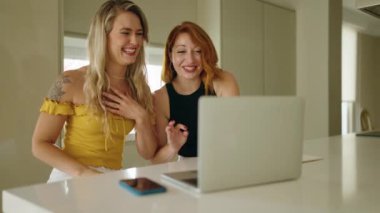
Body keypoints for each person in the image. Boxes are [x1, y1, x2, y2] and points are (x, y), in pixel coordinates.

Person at [32, 0, 182, 183]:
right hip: (70, 179)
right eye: (125, 33)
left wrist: (141, 117)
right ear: (103, 36)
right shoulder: (69, 81)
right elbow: (40, 145)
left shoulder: (139, 89)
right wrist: (86, 174)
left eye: (139, 34)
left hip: (110, 180)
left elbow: (148, 153)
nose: (135, 41)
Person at [151, 21, 240, 163]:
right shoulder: (160, 98)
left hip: (226, 162)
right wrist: (172, 147)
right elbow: (156, 161)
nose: (190, 60)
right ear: (170, 54)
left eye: (198, 51)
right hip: (186, 168)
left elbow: (237, 136)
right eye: (181, 51)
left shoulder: (224, 81)